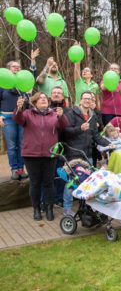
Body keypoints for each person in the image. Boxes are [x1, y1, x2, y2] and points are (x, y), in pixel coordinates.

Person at [13, 92, 68, 221]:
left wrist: (61, 116)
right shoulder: (27, 113)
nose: (44, 99)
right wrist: (19, 109)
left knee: (49, 183)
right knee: (35, 183)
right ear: (35, 102)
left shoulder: (54, 114)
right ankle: (36, 208)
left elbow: (63, 125)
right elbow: (17, 119)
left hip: (50, 154)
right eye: (40, 98)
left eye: (45, 98)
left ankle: (49, 208)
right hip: (31, 154)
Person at [0, 54, 38, 179]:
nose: (16, 68)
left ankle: (21, 169)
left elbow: (32, 75)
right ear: (8, 69)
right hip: (8, 118)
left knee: (22, 144)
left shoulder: (22, 83)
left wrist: (32, 60)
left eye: (18, 67)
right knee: (11, 145)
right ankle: (14, 169)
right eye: (13, 66)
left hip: (22, 118)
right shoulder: (3, 84)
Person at [63, 91, 113, 161]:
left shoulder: (93, 116)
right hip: (74, 155)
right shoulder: (71, 113)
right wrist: (80, 129)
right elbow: (66, 132)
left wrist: (108, 143)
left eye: (89, 99)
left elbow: (96, 135)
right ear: (80, 101)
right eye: (85, 98)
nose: (87, 101)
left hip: (88, 155)